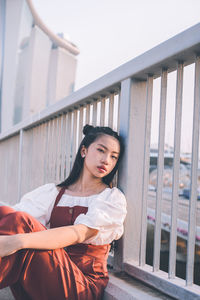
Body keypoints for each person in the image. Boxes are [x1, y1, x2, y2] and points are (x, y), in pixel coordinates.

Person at [0, 124, 127, 300]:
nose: (106, 160)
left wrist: (16, 241)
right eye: (101, 151)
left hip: (81, 286)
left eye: (113, 157)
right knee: (7, 213)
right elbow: (9, 216)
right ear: (84, 151)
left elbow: (79, 233)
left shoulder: (110, 198)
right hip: (50, 274)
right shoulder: (54, 193)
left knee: (21, 226)